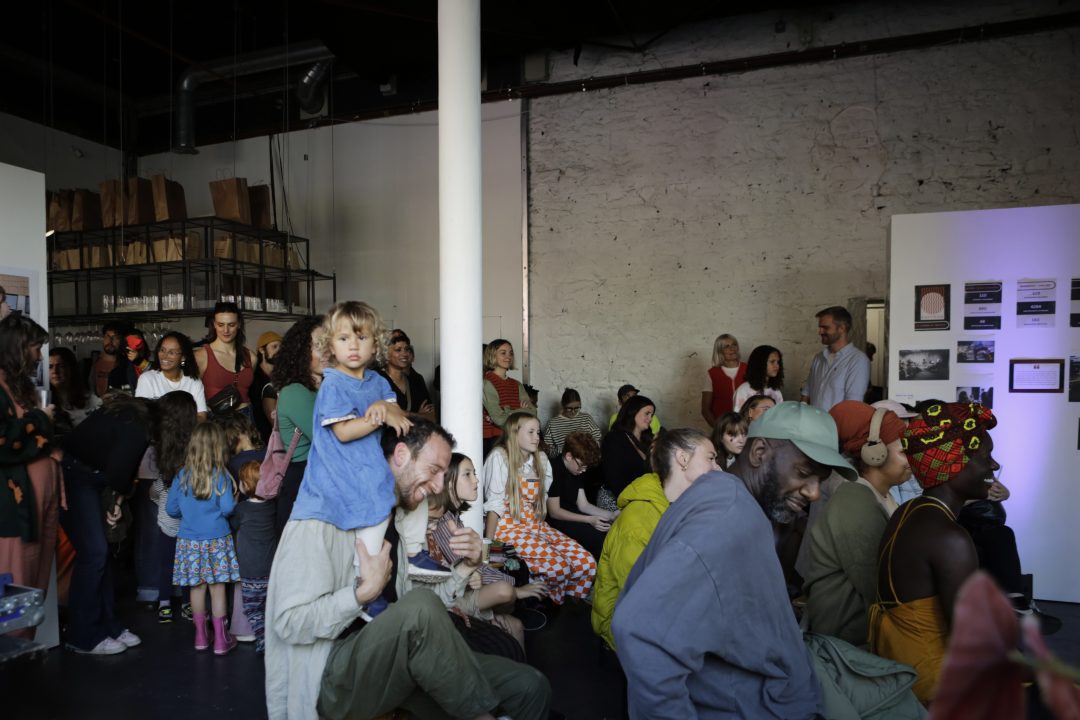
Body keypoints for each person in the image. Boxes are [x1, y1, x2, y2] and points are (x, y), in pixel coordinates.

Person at [265, 418, 551, 720]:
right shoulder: (318, 521)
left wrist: (466, 568)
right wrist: (359, 596)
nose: (439, 486)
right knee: (419, 607)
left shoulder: (396, 523)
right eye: (434, 471)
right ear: (401, 455)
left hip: (394, 661)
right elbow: (288, 623)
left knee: (530, 686)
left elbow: (425, 617)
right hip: (327, 677)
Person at [613, 402, 856, 718]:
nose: (813, 492)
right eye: (805, 472)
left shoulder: (724, 495)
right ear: (759, 453)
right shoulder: (728, 516)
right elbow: (640, 629)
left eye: (819, 480)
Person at [289, 301, 415, 619]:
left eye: (362, 338)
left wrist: (389, 410)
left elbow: (396, 411)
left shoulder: (377, 381)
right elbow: (344, 432)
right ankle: (361, 590)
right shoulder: (333, 384)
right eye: (344, 339)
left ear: (376, 344)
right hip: (338, 477)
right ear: (330, 345)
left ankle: (374, 581)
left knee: (380, 521)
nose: (353, 346)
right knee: (353, 542)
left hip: (369, 473)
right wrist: (377, 417)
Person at [869, 401, 998, 703]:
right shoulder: (949, 538)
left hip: (900, 668)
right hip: (933, 683)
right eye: (985, 456)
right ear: (952, 466)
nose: (993, 465)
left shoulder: (908, 512)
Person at [592, 428, 718, 650]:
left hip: (658, 605)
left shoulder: (679, 505)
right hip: (624, 619)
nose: (717, 468)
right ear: (683, 459)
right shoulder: (639, 520)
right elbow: (641, 596)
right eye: (710, 458)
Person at [802, 401, 910, 646]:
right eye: (903, 451)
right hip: (849, 648)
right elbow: (881, 588)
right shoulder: (855, 501)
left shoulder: (879, 496)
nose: (911, 458)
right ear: (875, 453)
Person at [61, 393, 152, 654]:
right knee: (95, 553)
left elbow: (119, 470)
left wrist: (118, 500)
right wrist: (120, 495)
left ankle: (108, 625)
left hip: (88, 476)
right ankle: (83, 635)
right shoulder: (139, 426)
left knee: (100, 555)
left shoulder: (137, 416)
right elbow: (119, 472)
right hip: (77, 475)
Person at [427, 452, 546, 649]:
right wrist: (514, 586)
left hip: (472, 574)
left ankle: (511, 607)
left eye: (474, 473)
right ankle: (513, 605)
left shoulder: (453, 515)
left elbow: (478, 551)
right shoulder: (443, 520)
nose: (476, 480)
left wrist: (502, 552)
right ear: (449, 483)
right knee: (509, 575)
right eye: (468, 475)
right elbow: (469, 566)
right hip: (459, 590)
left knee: (511, 555)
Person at [482, 412, 596, 605]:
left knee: (587, 563)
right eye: (531, 432)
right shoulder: (499, 457)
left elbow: (540, 503)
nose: (537, 437)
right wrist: (489, 549)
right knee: (559, 567)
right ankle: (545, 606)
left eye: (538, 432)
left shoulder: (541, 459)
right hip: (508, 528)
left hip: (534, 525)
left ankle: (569, 608)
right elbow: (494, 505)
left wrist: (540, 531)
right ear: (514, 433)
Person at [0, 314, 62, 643]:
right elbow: (4, 442)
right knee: (15, 582)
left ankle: (21, 651)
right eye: (35, 347)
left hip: (36, 505)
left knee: (34, 578)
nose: (39, 355)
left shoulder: (17, 385)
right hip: (13, 510)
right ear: (17, 348)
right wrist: (41, 418)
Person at [166, 421, 241, 655]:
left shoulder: (181, 476)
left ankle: (200, 637)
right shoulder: (221, 476)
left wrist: (188, 512)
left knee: (196, 589)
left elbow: (171, 509)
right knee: (217, 589)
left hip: (189, 542)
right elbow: (228, 508)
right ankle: (221, 639)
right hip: (217, 539)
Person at [147, 391, 199, 623]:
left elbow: (158, 488)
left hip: (167, 521)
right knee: (189, 566)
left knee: (165, 564)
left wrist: (156, 497)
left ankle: (164, 604)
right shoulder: (196, 448)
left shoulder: (161, 447)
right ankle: (189, 604)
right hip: (191, 521)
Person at [269, 315, 324, 534]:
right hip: (302, 484)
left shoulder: (323, 387)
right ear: (301, 351)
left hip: (317, 481)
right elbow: (328, 439)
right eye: (319, 346)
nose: (327, 351)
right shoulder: (295, 392)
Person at [545, 431, 615, 558]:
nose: (583, 471)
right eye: (582, 466)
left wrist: (612, 515)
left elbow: (584, 505)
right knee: (597, 538)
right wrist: (589, 519)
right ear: (569, 456)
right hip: (557, 520)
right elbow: (554, 512)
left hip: (574, 514)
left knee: (610, 531)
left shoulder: (576, 470)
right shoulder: (553, 468)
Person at [232, 460, 275, 653]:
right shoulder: (273, 508)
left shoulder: (242, 509)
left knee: (252, 609)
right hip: (272, 571)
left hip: (250, 571)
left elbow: (231, 525)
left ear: (245, 486)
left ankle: (263, 639)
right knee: (270, 607)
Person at [800, 305, 871, 412]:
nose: (820, 332)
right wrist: (801, 414)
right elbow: (807, 391)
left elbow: (853, 405)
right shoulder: (819, 358)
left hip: (837, 428)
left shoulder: (858, 360)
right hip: (813, 426)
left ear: (841, 328)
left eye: (825, 327)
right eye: (820, 327)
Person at [194, 301, 255, 415]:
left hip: (246, 420)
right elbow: (192, 397)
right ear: (214, 324)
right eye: (221, 324)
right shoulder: (201, 356)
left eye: (231, 325)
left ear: (239, 324)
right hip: (216, 421)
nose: (226, 330)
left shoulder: (251, 357)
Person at [600, 394, 655, 508]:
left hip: (643, 496)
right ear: (633, 412)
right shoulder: (614, 438)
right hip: (618, 498)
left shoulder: (648, 439)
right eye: (647, 413)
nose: (650, 419)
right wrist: (636, 499)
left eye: (652, 415)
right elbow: (613, 478)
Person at [481, 339, 534, 456]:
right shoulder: (486, 383)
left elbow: (533, 413)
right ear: (492, 355)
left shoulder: (517, 384)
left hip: (515, 438)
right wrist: (521, 411)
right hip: (494, 440)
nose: (508, 356)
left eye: (511, 353)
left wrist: (508, 411)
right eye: (503, 352)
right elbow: (499, 419)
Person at [135, 331, 207, 416]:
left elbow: (201, 416)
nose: (164, 356)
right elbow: (141, 416)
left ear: (183, 357)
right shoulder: (147, 379)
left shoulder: (194, 382)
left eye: (171, 352)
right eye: (162, 350)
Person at [378, 329, 435, 417]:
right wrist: (418, 415)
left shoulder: (414, 380)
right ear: (386, 355)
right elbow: (386, 417)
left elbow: (431, 416)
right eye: (398, 350)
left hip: (415, 431)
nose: (404, 354)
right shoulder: (377, 379)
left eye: (407, 349)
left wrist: (403, 414)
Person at [49, 346, 101, 434]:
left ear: (71, 369)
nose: (55, 371)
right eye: (50, 366)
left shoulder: (89, 399)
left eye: (61, 366)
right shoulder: (44, 399)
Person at [701, 334, 746, 427]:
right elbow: (705, 409)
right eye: (727, 346)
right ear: (719, 351)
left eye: (734, 345)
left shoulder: (749, 369)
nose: (732, 348)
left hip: (747, 426)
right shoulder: (712, 374)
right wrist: (718, 430)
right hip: (724, 426)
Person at [542, 388, 602, 457]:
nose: (573, 411)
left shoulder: (586, 418)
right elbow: (547, 449)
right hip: (563, 461)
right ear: (563, 405)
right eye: (569, 408)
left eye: (577, 408)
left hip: (586, 459)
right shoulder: (552, 424)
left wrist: (585, 447)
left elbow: (597, 439)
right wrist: (563, 450)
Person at [251, 330, 282, 442]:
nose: (279, 350)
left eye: (281, 347)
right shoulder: (253, 377)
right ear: (262, 350)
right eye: (274, 346)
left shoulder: (282, 376)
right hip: (262, 437)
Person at [733, 344, 785, 412]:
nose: (777, 366)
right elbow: (737, 419)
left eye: (778, 362)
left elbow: (780, 416)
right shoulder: (744, 390)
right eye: (772, 362)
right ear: (760, 363)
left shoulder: (776, 392)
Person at [90, 321, 124, 397]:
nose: (110, 341)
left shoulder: (126, 366)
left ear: (122, 341)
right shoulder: (89, 364)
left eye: (115, 338)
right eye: (107, 336)